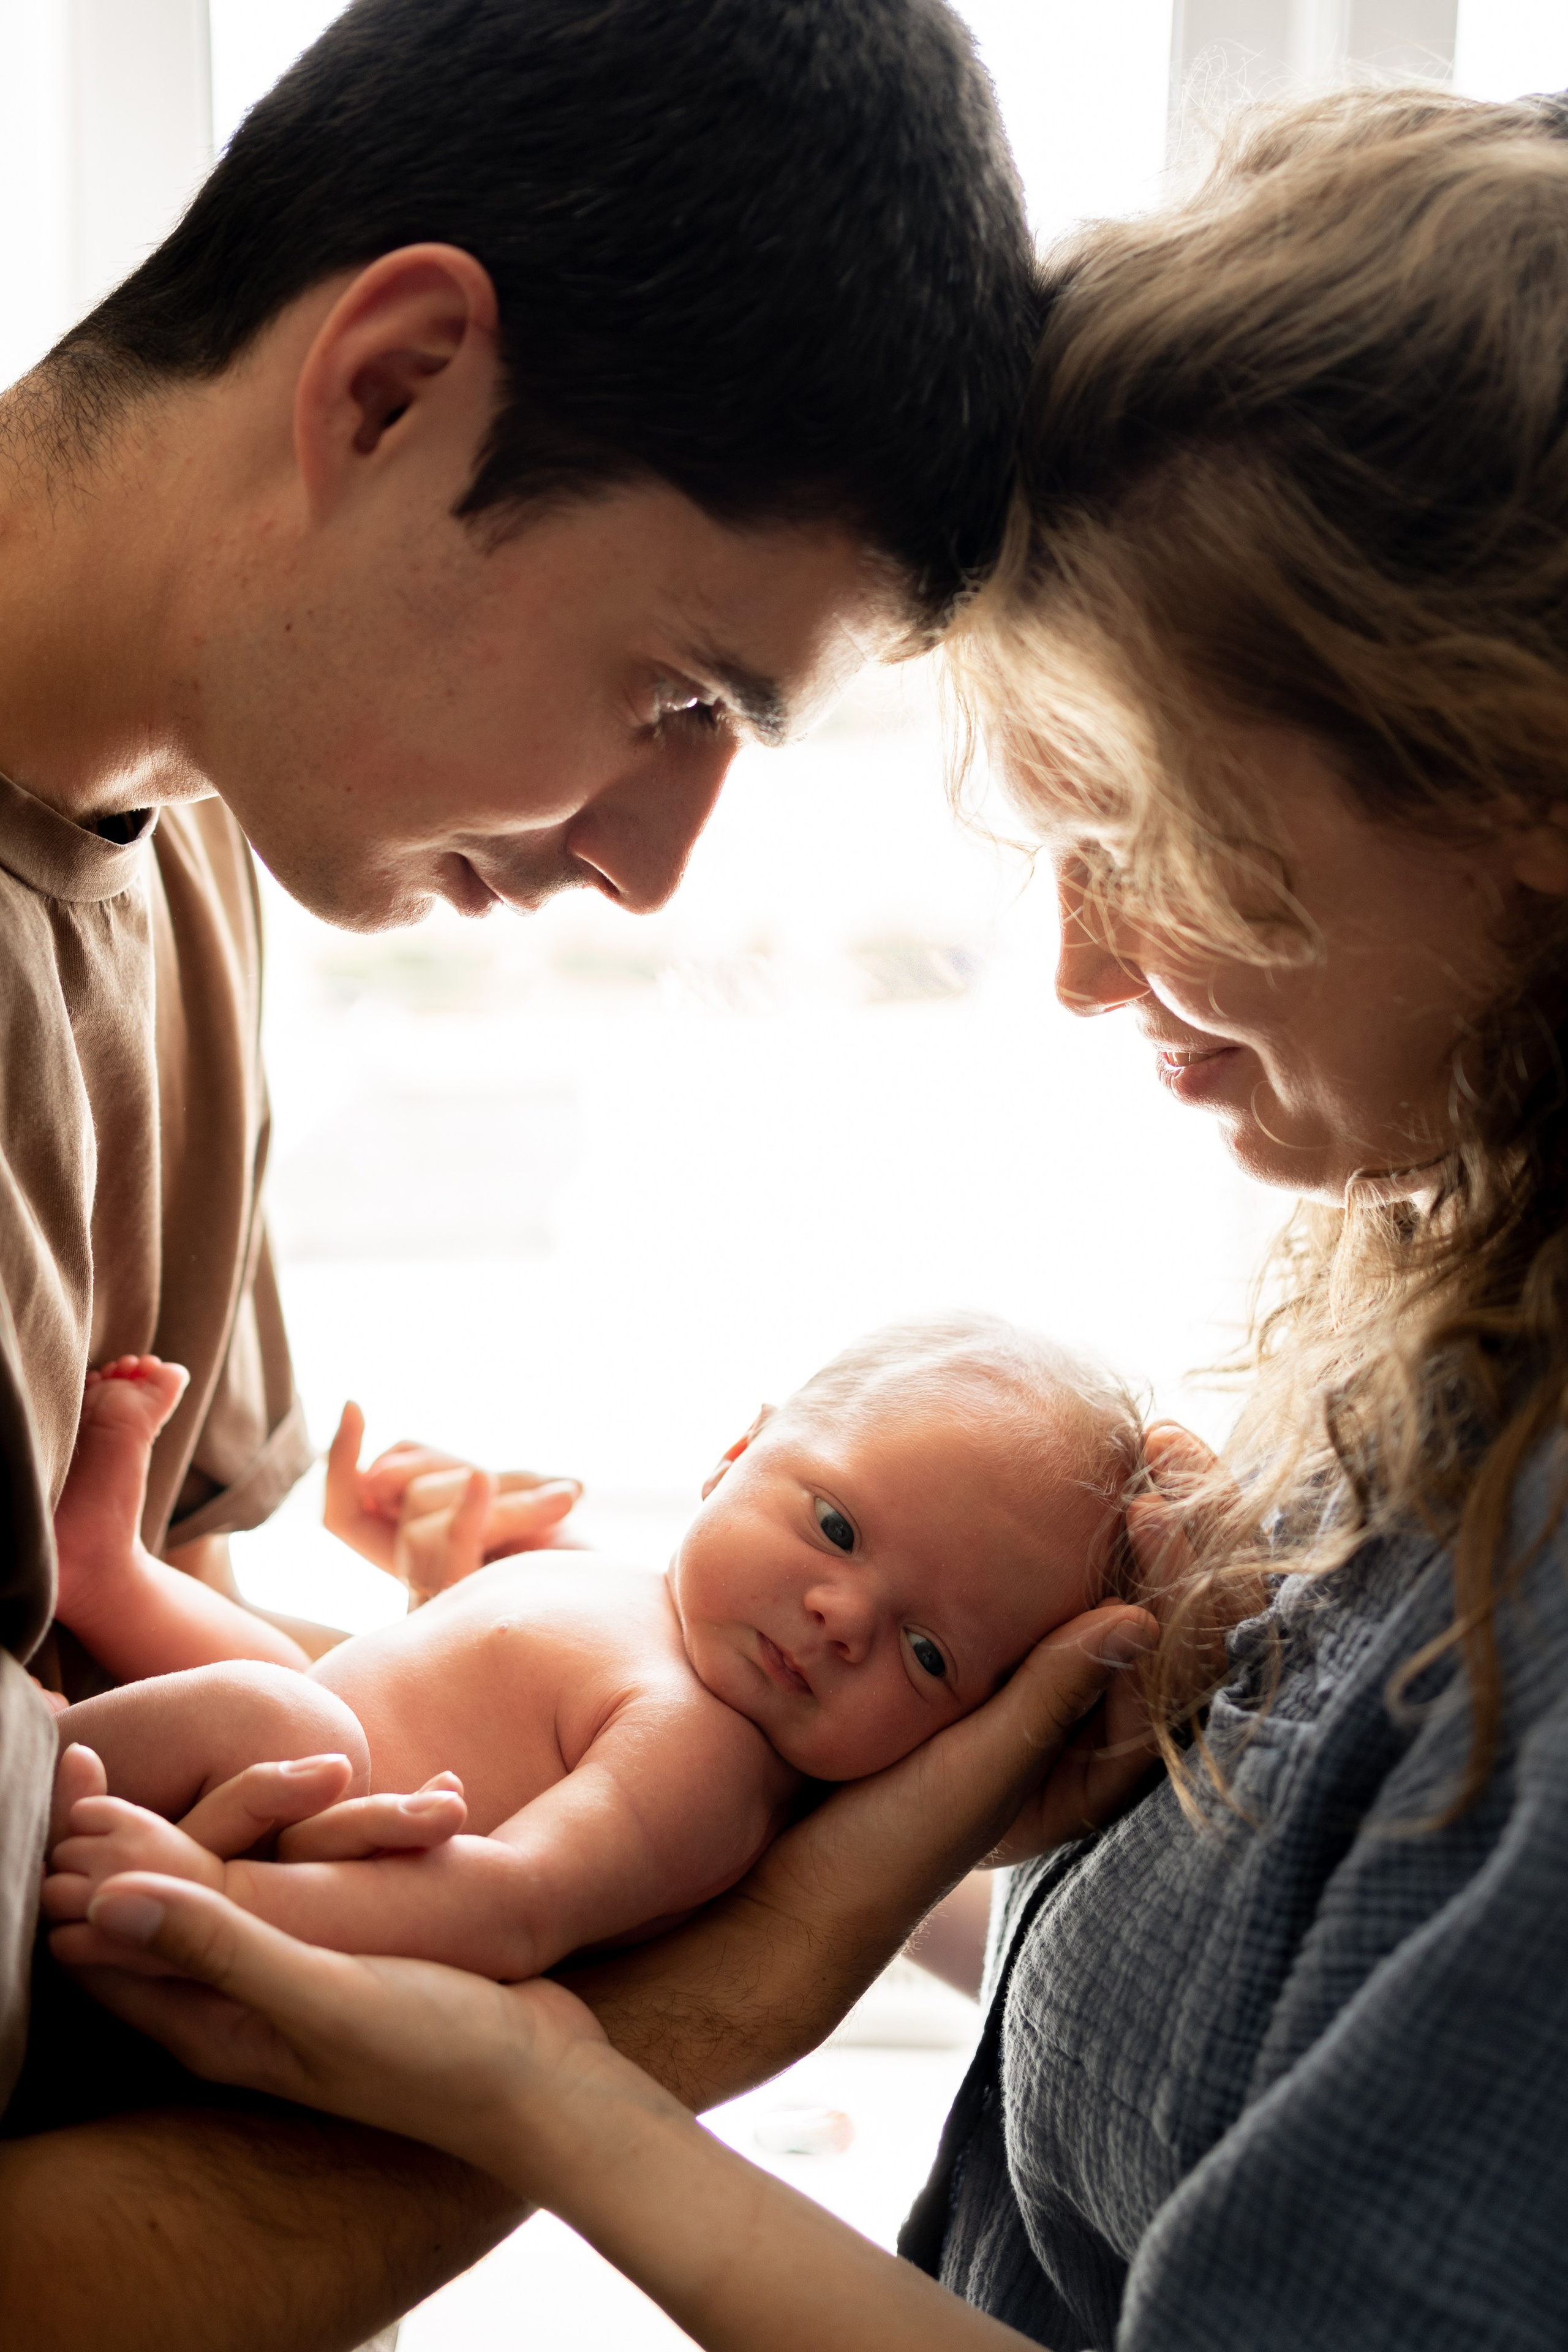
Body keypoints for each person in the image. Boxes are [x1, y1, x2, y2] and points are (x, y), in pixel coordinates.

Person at [68, 80, 1568, 2352]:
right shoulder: (1439, 1353)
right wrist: (684, 1744)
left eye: (1165, 835)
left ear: (1519, 790)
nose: (1078, 963)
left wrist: (567, 2080)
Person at [0, 1, 1050, 2342]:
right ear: (391, 388)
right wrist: (711, 1976)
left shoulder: (169, 859)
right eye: (683, 689)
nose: (662, 862)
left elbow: (125, 1606)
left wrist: (454, 1699)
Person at [42, 1319, 1140, 1976]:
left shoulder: (704, 1757)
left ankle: (31, 1767)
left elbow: (515, 1904)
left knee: (291, 1720)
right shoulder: (648, 1610)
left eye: (928, 1654)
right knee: (299, 1695)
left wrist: (227, 1904)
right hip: (296, 1791)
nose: (845, 1620)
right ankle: (109, 1578)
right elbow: (396, 1697)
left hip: (284, 1893)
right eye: (838, 1529)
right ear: (736, 1452)